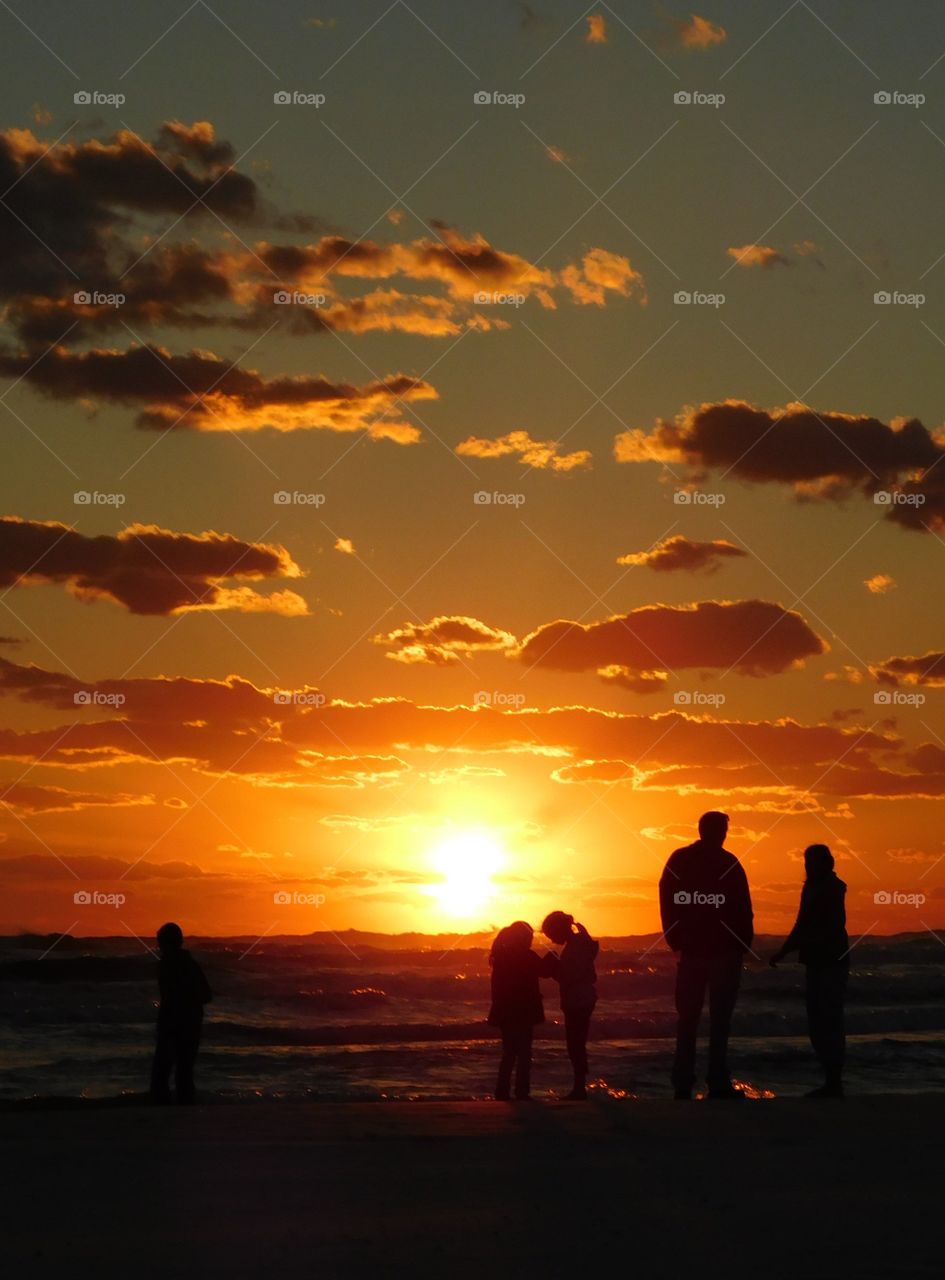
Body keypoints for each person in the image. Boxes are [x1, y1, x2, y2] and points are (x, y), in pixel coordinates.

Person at [658, 811, 754, 1100]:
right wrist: (743, 941)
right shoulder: (726, 862)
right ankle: (713, 1081)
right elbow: (742, 906)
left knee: (691, 1018)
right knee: (714, 1019)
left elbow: (667, 894)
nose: (722, 835)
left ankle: (687, 1082)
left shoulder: (685, 859)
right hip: (715, 950)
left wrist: (673, 935)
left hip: (703, 950)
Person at [770, 844, 849, 1098]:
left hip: (831, 961)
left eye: (813, 862)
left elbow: (832, 926)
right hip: (815, 961)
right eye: (806, 862)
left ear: (827, 863)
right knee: (816, 1020)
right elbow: (801, 922)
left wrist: (800, 944)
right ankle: (830, 1080)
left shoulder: (833, 889)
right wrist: (785, 950)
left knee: (829, 1019)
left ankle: (833, 1081)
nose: (808, 867)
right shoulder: (810, 887)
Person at [150, 922, 213, 1105]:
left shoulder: (165, 966)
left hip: (172, 1022)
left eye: (160, 943)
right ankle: (184, 1104)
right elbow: (206, 995)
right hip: (191, 1022)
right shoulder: (191, 965)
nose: (159, 947)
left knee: (162, 1070)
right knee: (184, 1069)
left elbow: (169, 996)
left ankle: (164, 1106)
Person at [488, 921, 551, 1101]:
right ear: (522, 938)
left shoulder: (500, 957)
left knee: (509, 1053)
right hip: (524, 1011)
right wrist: (552, 956)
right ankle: (522, 1092)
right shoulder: (527, 956)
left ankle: (502, 1092)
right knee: (524, 1053)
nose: (531, 940)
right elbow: (544, 971)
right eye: (529, 937)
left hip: (506, 1011)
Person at [541, 911, 599, 1100]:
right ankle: (579, 1086)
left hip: (578, 999)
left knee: (575, 1043)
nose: (551, 939)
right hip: (583, 998)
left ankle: (579, 1088)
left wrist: (553, 968)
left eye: (551, 934)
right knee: (576, 1042)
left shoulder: (576, 946)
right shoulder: (579, 942)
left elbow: (571, 976)